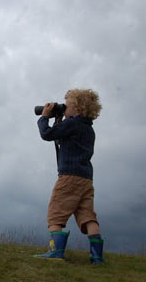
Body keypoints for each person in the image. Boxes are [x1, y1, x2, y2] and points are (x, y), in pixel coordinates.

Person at [34, 88, 104, 264]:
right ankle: (97, 256)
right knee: (88, 216)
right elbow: (61, 138)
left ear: (78, 109)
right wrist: (58, 119)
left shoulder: (72, 124)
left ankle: (56, 252)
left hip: (69, 177)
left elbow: (47, 134)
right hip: (86, 179)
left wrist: (44, 117)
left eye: (67, 106)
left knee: (55, 214)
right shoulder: (89, 130)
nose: (64, 108)